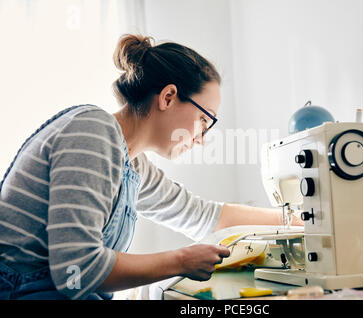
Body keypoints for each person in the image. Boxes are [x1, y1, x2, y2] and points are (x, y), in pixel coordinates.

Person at [0, 34, 302, 300]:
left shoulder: (132, 164)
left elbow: (203, 216)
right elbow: (77, 271)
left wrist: (300, 221)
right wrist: (181, 260)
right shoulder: (92, 133)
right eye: (204, 121)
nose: (201, 139)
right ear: (168, 97)